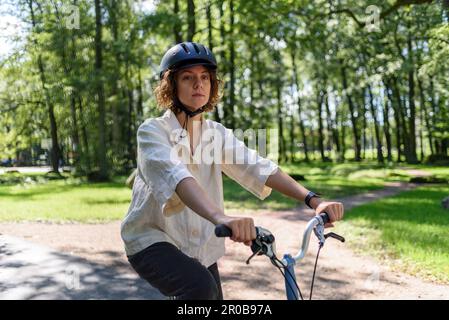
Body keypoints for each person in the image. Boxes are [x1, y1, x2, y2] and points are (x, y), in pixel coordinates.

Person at [121, 42, 344, 300]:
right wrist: (221, 217)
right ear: (170, 86)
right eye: (187, 77)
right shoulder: (152, 132)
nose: (199, 84)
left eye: (205, 77)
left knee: (211, 297)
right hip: (151, 239)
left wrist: (314, 200)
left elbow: (256, 166)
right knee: (200, 289)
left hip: (200, 245)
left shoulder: (215, 134)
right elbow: (178, 177)